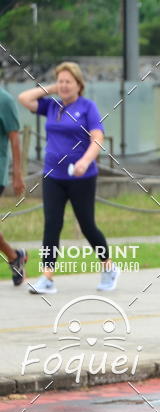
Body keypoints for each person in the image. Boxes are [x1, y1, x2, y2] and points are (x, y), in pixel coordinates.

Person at [18, 61, 118, 294]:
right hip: (53, 175)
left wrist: (85, 161)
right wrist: (51, 88)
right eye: (60, 81)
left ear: (79, 85)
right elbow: (25, 98)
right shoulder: (52, 107)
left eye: (68, 82)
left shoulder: (87, 107)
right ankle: (47, 277)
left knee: (87, 226)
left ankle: (109, 267)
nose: (63, 85)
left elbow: (98, 138)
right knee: (52, 224)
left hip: (81, 178)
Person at [0, 84, 27, 285]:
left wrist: (17, 174)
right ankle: (14, 256)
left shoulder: (5, 100)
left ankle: (13, 256)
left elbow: (15, 140)